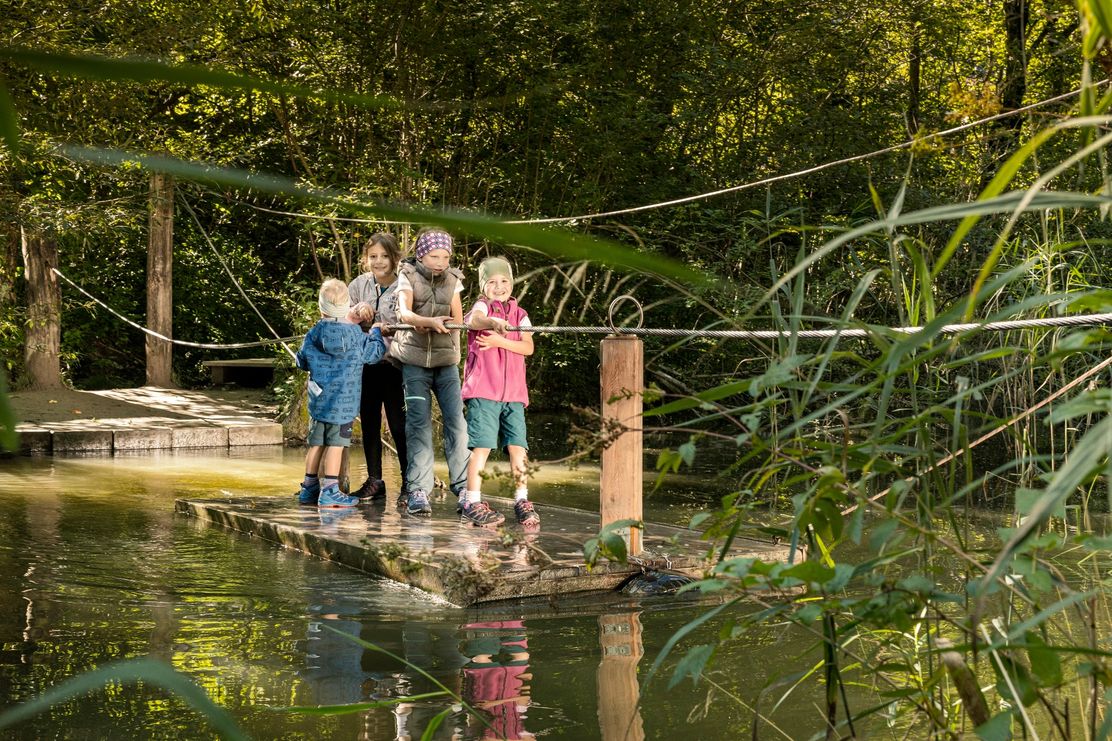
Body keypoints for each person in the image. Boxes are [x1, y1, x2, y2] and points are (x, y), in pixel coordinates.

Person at [388, 228, 480, 520]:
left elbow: (456, 316)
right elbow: (403, 313)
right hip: (414, 361)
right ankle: (418, 490)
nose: (440, 262)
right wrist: (426, 321)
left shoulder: (454, 279)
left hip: (446, 361)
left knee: (457, 423)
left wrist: (450, 326)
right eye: (433, 256)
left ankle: (465, 489)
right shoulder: (407, 275)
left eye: (445, 256)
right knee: (418, 424)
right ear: (421, 254)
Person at [461, 257, 539, 528]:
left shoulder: (521, 314)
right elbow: (474, 320)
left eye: (504, 281)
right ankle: (472, 501)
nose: (499, 286)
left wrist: (499, 341)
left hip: (514, 393)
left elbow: (528, 347)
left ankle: (522, 499)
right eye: (492, 282)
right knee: (482, 446)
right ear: (484, 286)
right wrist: (492, 324)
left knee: (518, 447)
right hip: (484, 390)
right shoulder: (482, 306)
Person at [295, 278, 386, 508]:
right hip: (343, 406)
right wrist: (376, 333)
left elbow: (301, 361)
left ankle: (309, 488)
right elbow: (373, 354)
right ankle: (330, 491)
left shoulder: (314, 333)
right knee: (336, 445)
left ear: (321, 307)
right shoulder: (356, 335)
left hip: (319, 403)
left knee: (316, 444)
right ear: (347, 306)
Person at [348, 232, 407, 501]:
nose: (379, 261)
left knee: (398, 423)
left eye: (384, 256)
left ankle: (410, 481)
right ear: (365, 259)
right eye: (373, 257)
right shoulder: (358, 285)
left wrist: (385, 326)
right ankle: (375, 480)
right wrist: (357, 311)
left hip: (395, 364)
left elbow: (409, 323)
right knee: (369, 422)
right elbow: (343, 319)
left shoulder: (405, 285)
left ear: (395, 258)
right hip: (365, 365)